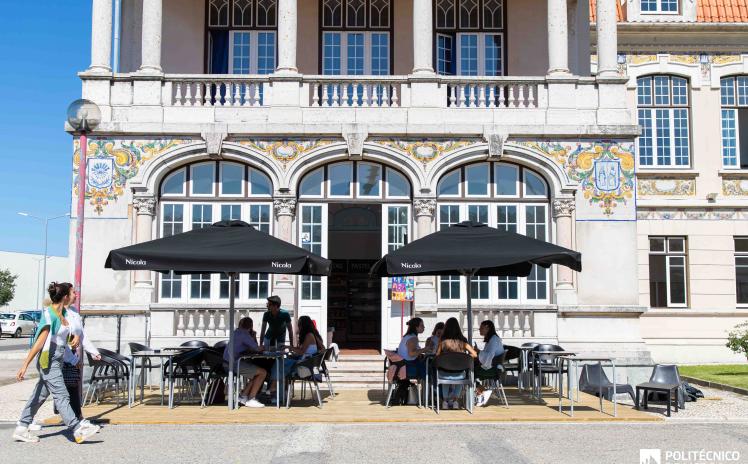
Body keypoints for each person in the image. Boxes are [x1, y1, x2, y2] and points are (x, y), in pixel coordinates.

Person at [13, 282, 100, 444]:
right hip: (48, 359)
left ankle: (22, 427)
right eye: (73, 292)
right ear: (66, 296)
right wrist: (25, 365)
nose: (76, 295)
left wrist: (73, 339)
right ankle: (77, 429)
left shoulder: (63, 313)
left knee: (39, 395)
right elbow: (40, 342)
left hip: (58, 358)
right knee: (61, 395)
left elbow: (60, 336)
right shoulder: (50, 314)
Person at [268, 316, 325, 403]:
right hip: (307, 365)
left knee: (280, 365)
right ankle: (279, 394)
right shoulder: (312, 335)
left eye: (299, 324)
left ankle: (275, 391)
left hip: (305, 368)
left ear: (303, 325)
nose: (298, 326)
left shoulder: (309, 335)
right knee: (281, 365)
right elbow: (306, 351)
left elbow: (301, 352)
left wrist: (289, 347)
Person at [435, 317, 477, 410]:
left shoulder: (442, 342)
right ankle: (455, 401)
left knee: (444, 374)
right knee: (460, 374)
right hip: (459, 375)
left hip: (444, 375)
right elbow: (474, 354)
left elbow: (437, 356)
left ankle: (445, 402)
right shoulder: (463, 343)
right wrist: (464, 358)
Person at [224, 317, 267, 408]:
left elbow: (248, 348)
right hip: (233, 364)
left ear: (240, 324)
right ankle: (251, 399)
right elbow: (257, 348)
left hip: (227, 363)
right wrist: (265, 347)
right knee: (262, 372)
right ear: (251, 326)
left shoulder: (235, 332)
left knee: (256, 373)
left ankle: (243, 396)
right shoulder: (245, 334)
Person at [474, 320, 505, 407]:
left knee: (469, 372)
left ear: (487, 328)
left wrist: (478, 351)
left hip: (493, 369)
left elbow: (489, 356)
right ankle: (482, 391)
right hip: (493, 367)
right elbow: (488, 356)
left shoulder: (494, 339)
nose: (479, 329)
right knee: (470, 370)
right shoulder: (492, 339)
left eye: (481, 327)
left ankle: (482, 391)